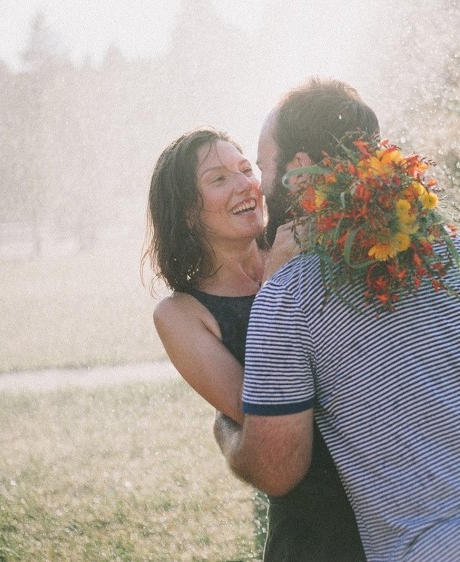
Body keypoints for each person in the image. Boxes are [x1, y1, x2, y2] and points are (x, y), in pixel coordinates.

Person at [214, 77, 460, 561]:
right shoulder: (454, 251)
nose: (259, 185)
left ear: (299, 171)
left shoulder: (288, 294)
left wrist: (227, 431)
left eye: (264, 166)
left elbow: (276, 469)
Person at [143, 127, 366, 561]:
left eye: (247, 170)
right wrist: (275, 282)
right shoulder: (181, 315)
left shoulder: (302, 241)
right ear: (186, 213)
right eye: (219, 178)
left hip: (392, 490)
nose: (246, 184)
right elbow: (266, 421)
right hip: (317, 526)